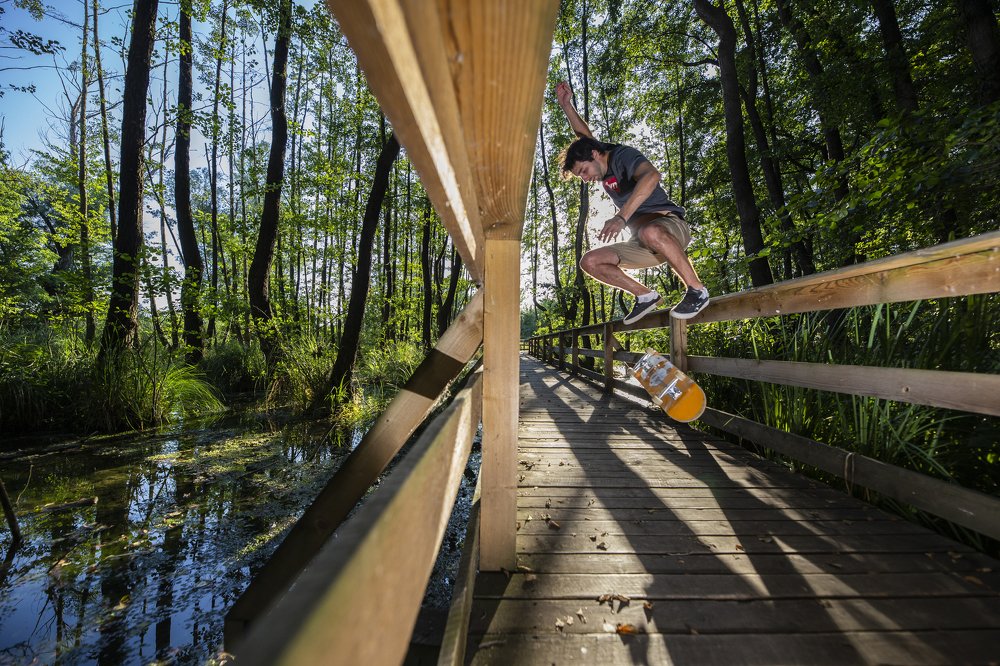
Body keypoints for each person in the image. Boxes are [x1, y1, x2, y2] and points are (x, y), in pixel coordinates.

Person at [555, 81, 710, 324]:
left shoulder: (623, 156)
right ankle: (645, 296)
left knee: (650, 230)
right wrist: (567, 106)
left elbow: (652, 176)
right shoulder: (598, 159)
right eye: (580, 176)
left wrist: (621, 217)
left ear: (595, 155)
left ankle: (697, 290)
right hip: (643, 242)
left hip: (669, 228)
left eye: (584, 171)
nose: (585, 179)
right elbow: (583, 138)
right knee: (590, 261)